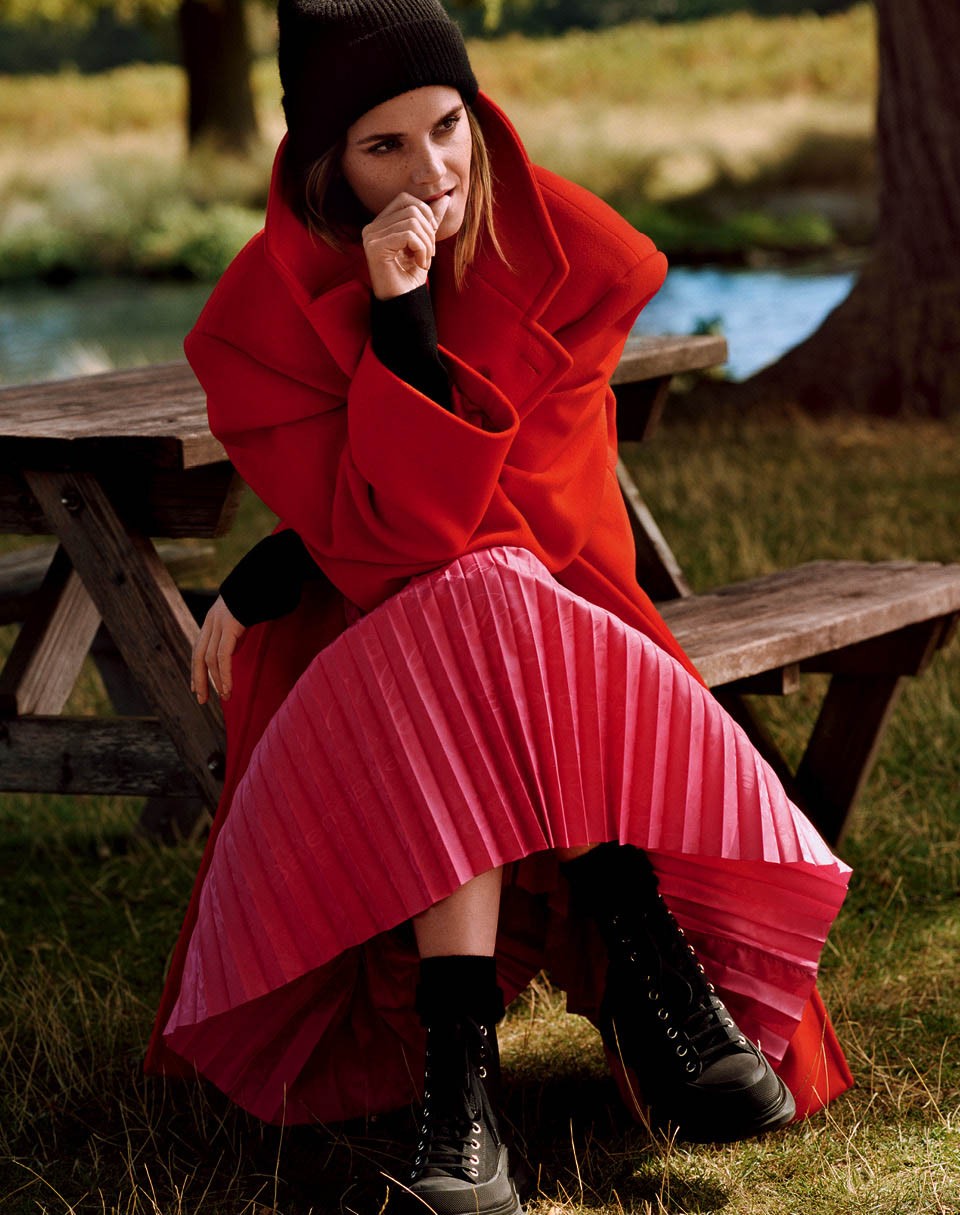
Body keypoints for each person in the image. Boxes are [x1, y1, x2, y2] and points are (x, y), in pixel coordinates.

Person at [147, 3, 853, 1212]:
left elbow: (516, 519)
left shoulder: (572, 252)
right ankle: (651, 973)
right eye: (385, 147)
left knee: (481, 605)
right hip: (373, 649)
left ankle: (460, 1103)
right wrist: (401, 318)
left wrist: (293, 553)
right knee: (460, 614)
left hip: (559, 618)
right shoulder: (260, 314)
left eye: (448, 126)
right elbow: (416, 541)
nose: (433, 171)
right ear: (325, 166)